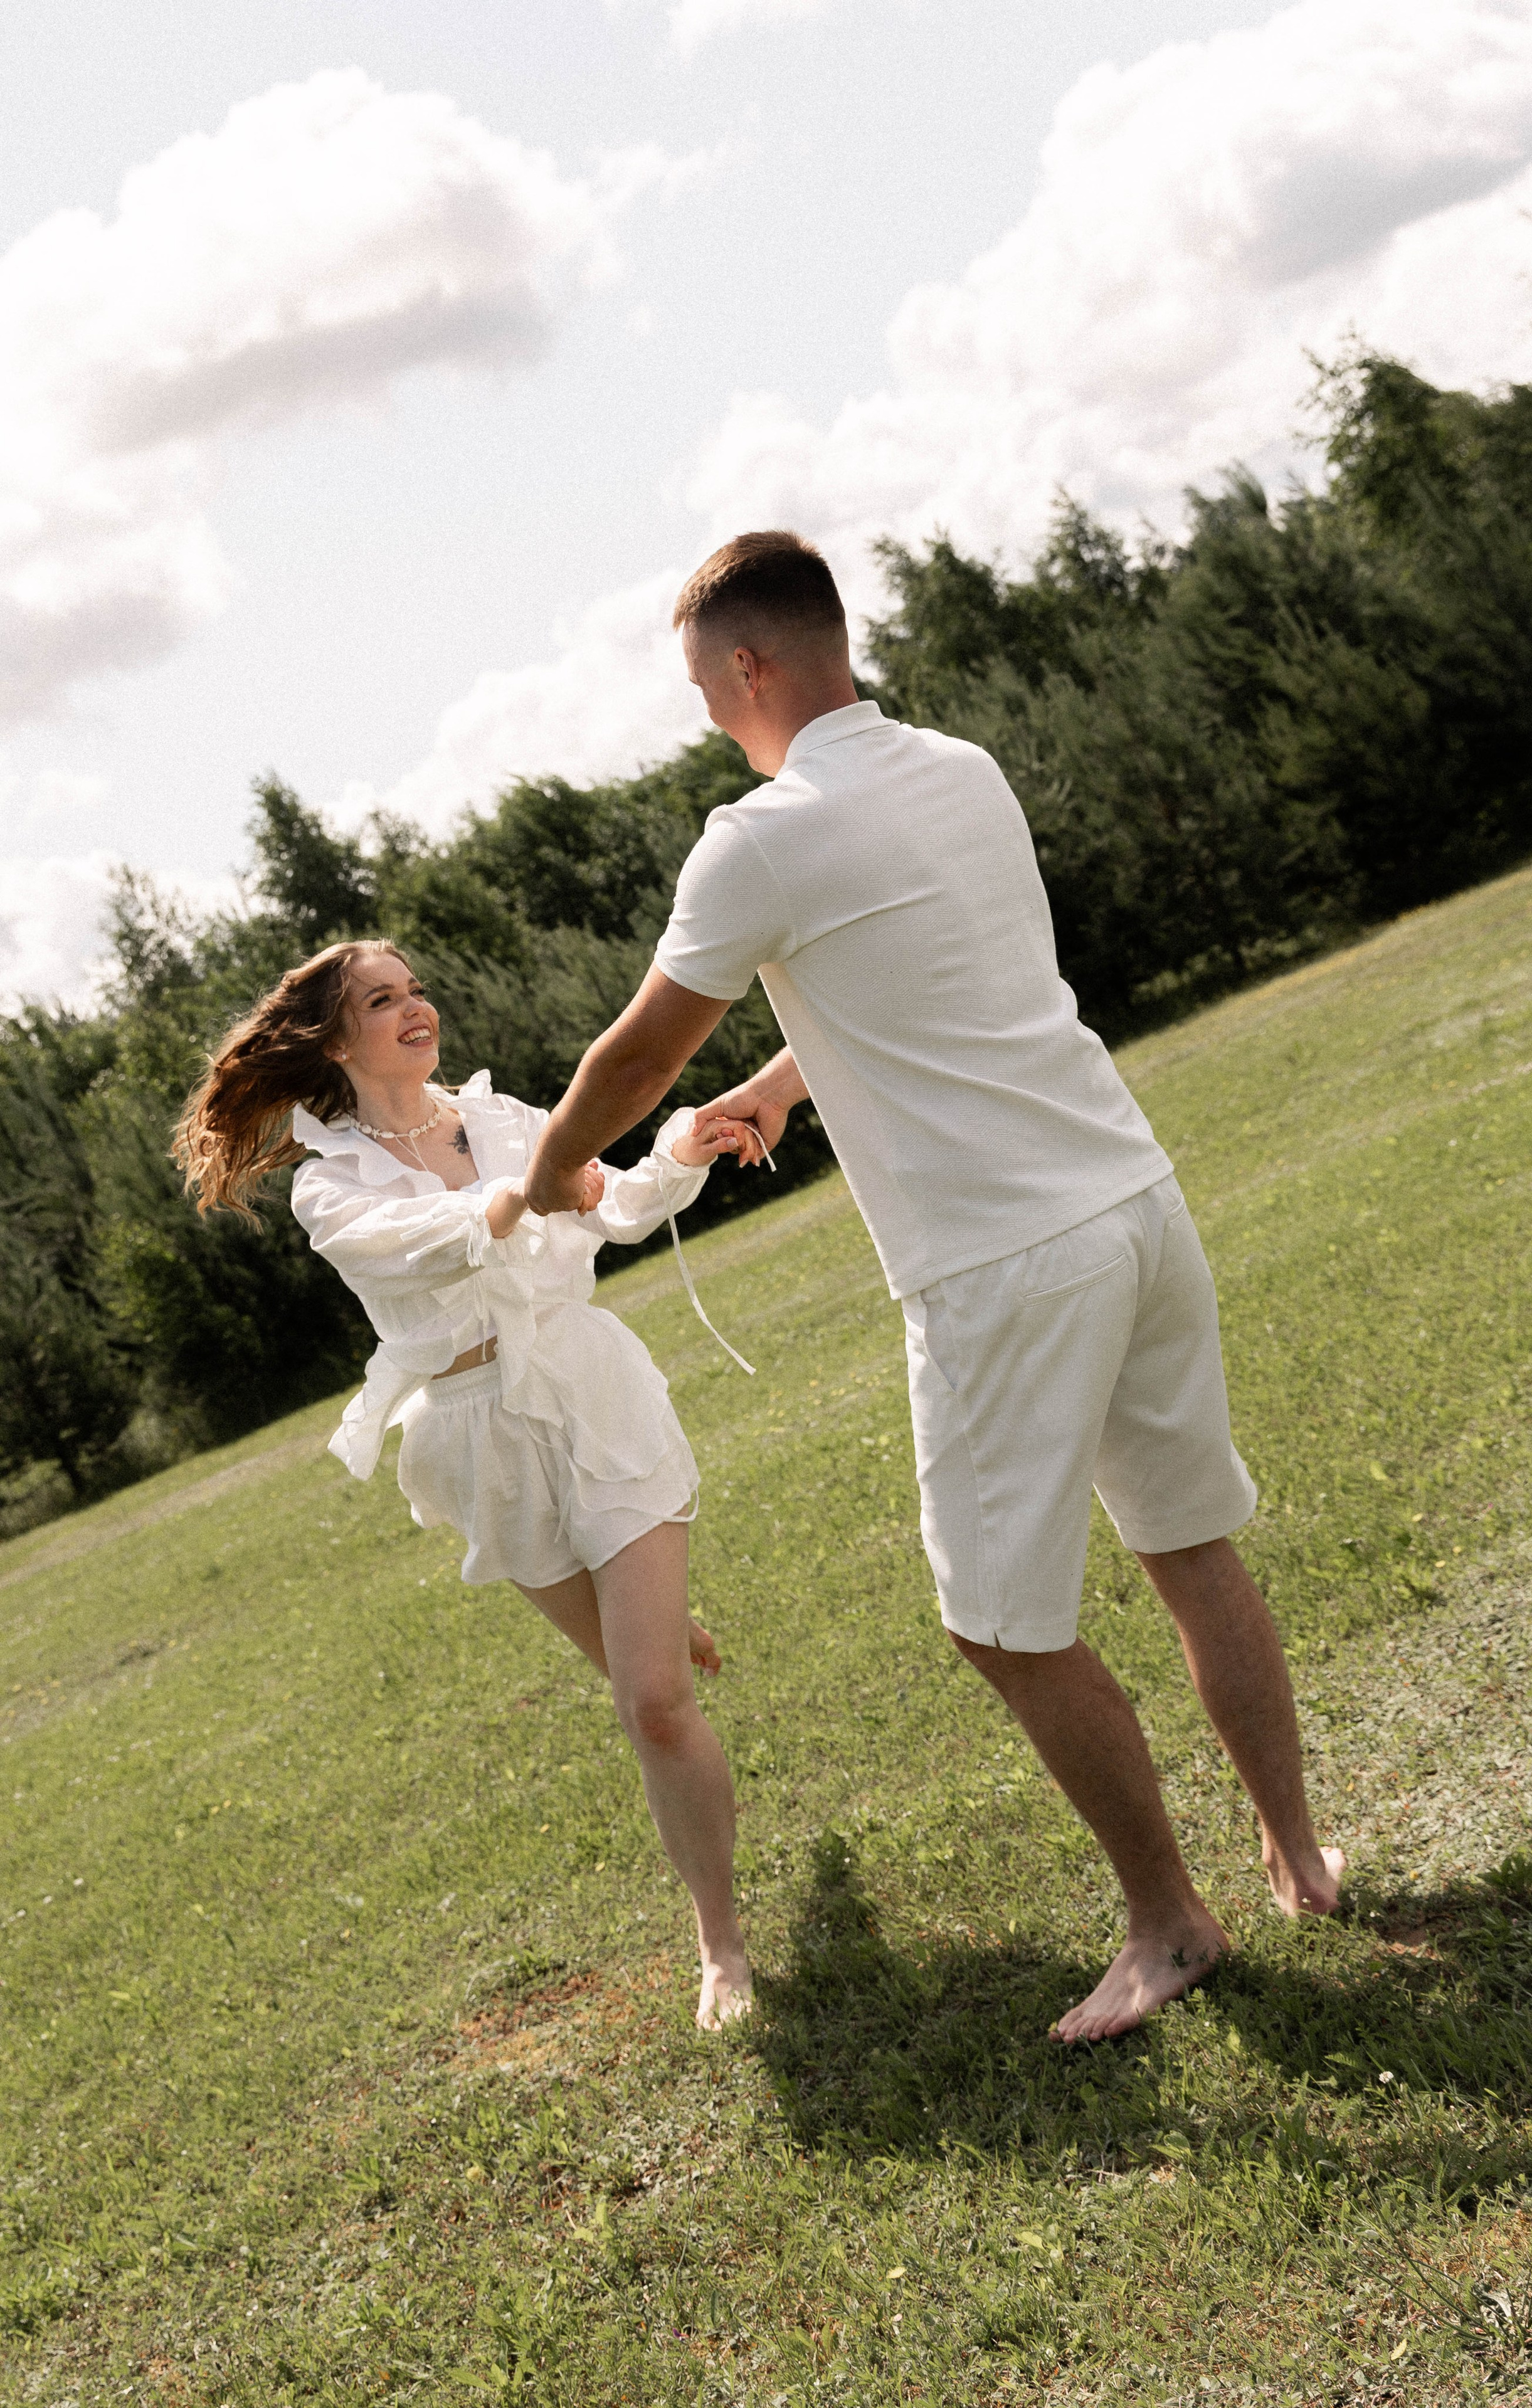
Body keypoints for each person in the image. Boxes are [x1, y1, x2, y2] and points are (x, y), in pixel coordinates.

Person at [523, 529, 1345, 2044]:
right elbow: (930, 977)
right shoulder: (958, 765)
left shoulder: (755, 837)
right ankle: (1300, 1860)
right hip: (1128, 1193)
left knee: (998, 1625)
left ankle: (1169, 1925)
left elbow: (635, 1056)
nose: (709, 714)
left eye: (706, 687)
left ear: (750, 667)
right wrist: (787, 1080)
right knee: (1188, 1545)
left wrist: (536, 1179)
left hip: (1000, 1266)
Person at [172, 938, 763, 2029]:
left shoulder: (501, 1118)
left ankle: (720, 1947)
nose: (415, 1010)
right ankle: (659, 1617)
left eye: (416, 990)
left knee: (653, 1707)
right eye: (381, 1000)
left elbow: (615, 1204)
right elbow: (430, 1243)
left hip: (591, 1394)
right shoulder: (331, 1187)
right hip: (480, 1438)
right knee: (646, 1676)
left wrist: (681, 1140)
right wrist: (524, 1191)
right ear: (335, 1038)